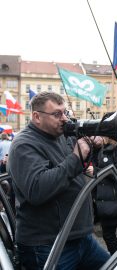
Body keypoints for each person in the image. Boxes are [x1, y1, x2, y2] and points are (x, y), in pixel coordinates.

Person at [8, 92, 110, 270]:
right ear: (37, 116)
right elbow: (37, 189)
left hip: (80, 237)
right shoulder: (23, 144)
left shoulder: (62, 136)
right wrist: (76, 158)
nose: (64, 119)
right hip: (47, 245)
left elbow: (77, 168)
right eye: (57, 114)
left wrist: (93, 146)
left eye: (65, 112)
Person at [93, 136, 117, 255]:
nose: (99, 137)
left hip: (116, 202)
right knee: (108, 236)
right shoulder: (101, 150)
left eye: (102, 134)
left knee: (116, 238)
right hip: (105, 202)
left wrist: (95, 171)